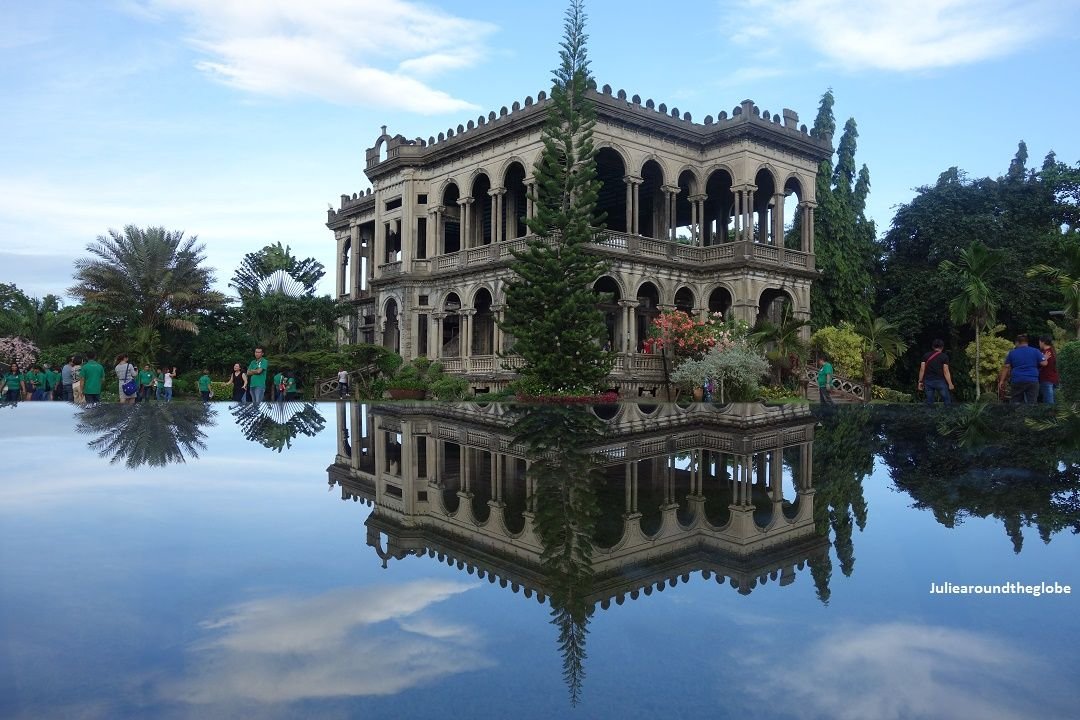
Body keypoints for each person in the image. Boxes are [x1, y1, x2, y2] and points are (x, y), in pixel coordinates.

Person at [998, 334, 1043, 404]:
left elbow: (1006, 367)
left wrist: (1002, 381)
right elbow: (1044, 363)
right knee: (1032, 403)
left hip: (1017, 380)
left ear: (1017, 342)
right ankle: (1031, 414)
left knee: (1015, 402)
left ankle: (1017, 414)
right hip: (1032, 380)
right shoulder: (1035, 351)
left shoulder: (1012, 353)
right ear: (1027, 342)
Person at [917, 339, 954, 405]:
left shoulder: (926, 355)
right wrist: (950, 383)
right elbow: (946, 371)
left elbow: (922, 369)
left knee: (929, 402)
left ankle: (930, 414)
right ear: (942, 347)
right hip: (940, 381)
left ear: (933, 347)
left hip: (928, 381)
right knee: (947, 401)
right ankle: (947, 414)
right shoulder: (944, 357)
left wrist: (920, 382)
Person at [1038, 336, 1059, 404]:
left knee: (1049, 404)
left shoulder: (1044, 353)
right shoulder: (1053, 352)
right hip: (1055, 379)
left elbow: (1041, 365)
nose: (1039, 344)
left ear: (1043, 342)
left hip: (1046, 379)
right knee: (1056, 404)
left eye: (1039, 342)